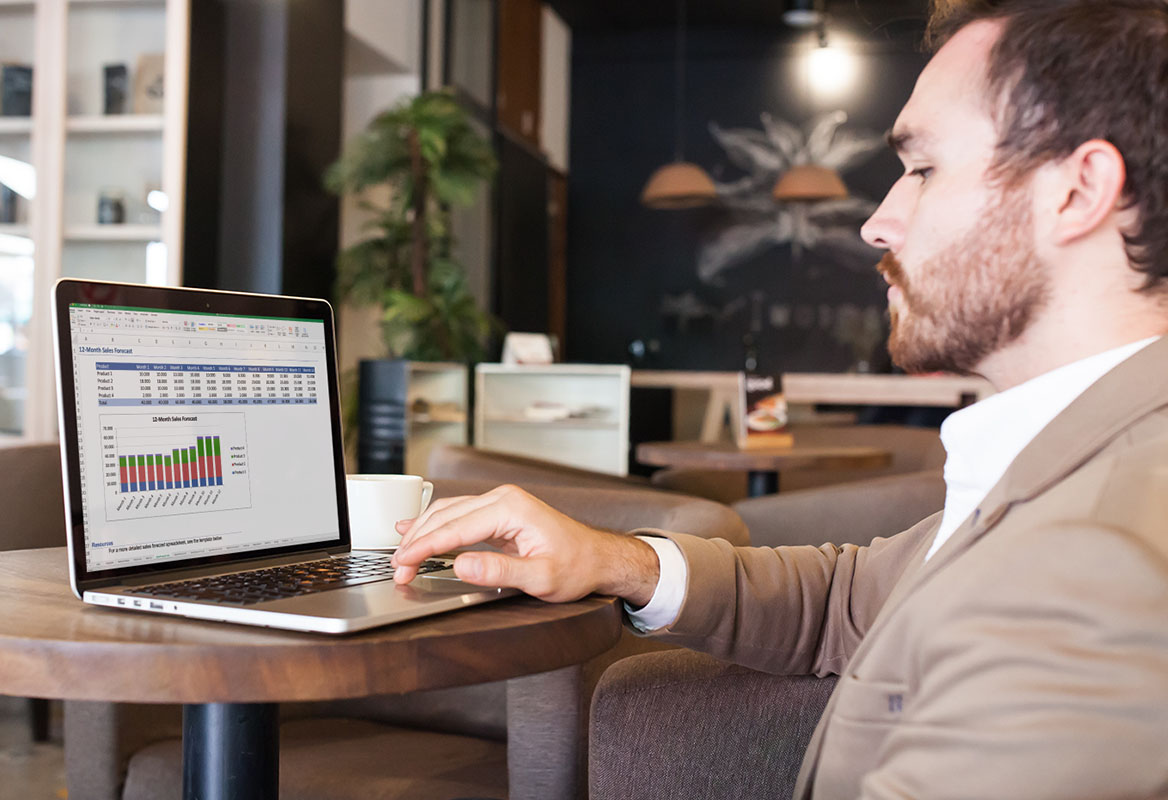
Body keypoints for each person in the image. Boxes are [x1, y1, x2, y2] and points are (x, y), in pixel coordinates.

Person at [394, 0, 1168, 796]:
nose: (877, 222)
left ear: (1078, 192)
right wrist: (612, 559)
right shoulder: (1074, 457)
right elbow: (847, 598)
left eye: (924, 169)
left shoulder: (1097, 565)